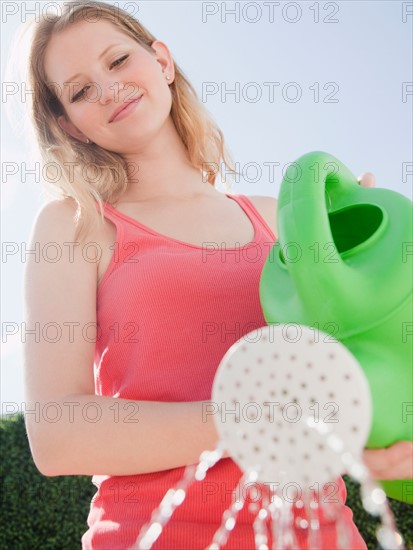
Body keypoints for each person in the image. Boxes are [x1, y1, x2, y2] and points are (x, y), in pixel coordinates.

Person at [22, 1, 413, 549]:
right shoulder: (75, 226)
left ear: (161, 60)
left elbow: (346, 385)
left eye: (117, 61)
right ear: (67, 123)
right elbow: (58, 434)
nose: (108, 89)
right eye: (80, 90)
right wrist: (247, 414)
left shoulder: (284, 219)